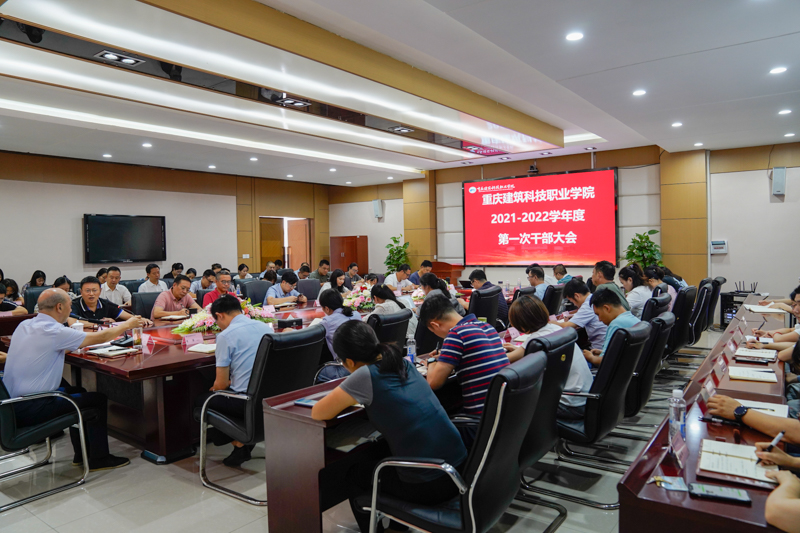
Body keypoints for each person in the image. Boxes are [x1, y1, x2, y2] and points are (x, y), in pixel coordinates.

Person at [311, 321, 467, 533]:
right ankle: (397, 527)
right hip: (458, 470)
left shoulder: (364, 375)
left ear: (349, 361)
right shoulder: (402, 362)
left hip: (430, 483)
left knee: (355, 474)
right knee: (383, 452)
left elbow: (318, 412)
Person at [4, 288, 145, 470]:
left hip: (11, 404)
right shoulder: (53, 330)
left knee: (78, 391)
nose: (71, 310)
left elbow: (48, 348)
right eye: (70, 306)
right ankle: (99, 459)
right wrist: (127, 325)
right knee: (97, 400)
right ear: (59, 307)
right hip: (32, 406)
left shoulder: (25, 325)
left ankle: (81, 454)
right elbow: (100, 337)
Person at [194, 295, 274, 467]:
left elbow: (221, 385)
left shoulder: (226, 336)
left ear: (219, 315)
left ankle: (239, 441)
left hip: (245, 401)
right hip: (269, 396)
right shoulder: (265, 327)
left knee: (201, 400)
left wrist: (216, 387)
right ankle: (240, 442)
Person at [504, 296, 593, 419]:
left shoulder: (537, 340)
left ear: (521, 325)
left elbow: (506, 359)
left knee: (512, 402)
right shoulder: (556, 329)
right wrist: (519, 349)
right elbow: (526, 352)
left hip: (568, 405)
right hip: (585, 399)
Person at [419, 294, 509, 416]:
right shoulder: (487, 327)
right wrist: (445, 355)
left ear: (435, 325)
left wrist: (431, 361)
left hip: (480, 418)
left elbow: (433, 382)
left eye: (433, 331)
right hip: (503, 411)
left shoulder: (456, 334)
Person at [583, 288, 640, 366]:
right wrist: (603, 352)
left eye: (598, 314)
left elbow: (605, 361)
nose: (599, 319)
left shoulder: (616, 324)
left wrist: (590, 357)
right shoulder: (634, 319)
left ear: (607, 308)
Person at [317, 289, 362, 381]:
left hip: (345, 368)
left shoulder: (327, 322)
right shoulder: (356, 314)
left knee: (317, 372)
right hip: (363, 364)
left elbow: (311, 335)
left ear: (326, 308)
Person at [70, 276, 152, 327]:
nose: (91, 294)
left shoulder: (106, 304)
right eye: (87, 291)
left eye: (94, 290)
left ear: (100, 291)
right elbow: (72, 323)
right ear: (81, 292)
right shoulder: (73, 305)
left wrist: (142, 319)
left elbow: (128, 316)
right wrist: (102, 323)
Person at [551, 279, 607, 351]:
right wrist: (575, 317)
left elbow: (567, 326)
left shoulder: (587, 305)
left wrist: (551, 323)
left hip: (598, 350)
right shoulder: (593, 299)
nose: (574, 304)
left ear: (577, 296)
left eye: (572, 301)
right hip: (603, 346)